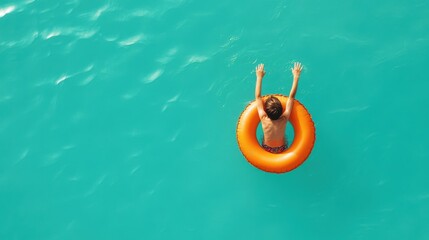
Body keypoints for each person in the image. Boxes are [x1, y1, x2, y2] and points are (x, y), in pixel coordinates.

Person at [254, 62, 303, 153]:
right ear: (282, 111)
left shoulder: (263, 117)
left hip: (267, 148)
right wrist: (296, 77)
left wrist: (259, 77)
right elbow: (291, 97)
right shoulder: (284, 118)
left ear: (266, 111)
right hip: (281, 148)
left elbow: (258, 96)